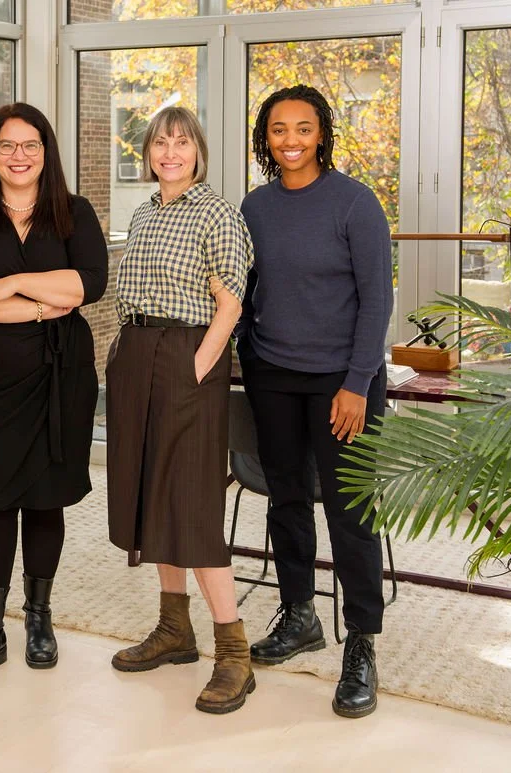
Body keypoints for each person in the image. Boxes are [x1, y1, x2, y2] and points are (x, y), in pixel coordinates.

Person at [237, 84, 393, 719]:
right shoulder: (254, 206)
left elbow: (377, 300)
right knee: (287, 500)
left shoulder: (355, 204)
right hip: (272, 375)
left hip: (342, 381)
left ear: (323, 133)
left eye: (303, 128)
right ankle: (299, 614)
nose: (291, 140)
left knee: (351, 515)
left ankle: (361, 642)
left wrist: (357, 383)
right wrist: (245, 356)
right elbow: (245, 291)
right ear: (266, 138)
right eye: (279, 129)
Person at [0, 102, 107, 687]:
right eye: (7, 145)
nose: (19, 155)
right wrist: (45, 303)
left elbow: (89, 283)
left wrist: (10, 284)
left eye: (30, 144)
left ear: (46, 151)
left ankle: (39, 617)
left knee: (45, 499)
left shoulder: (73, 212)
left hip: (61, 380)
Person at [106, 105, 255, 714]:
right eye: (160, 143)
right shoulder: (143, 212)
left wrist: (199, 364)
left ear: (199, 151)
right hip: (137, 354)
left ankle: (235, 654)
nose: (170, 152)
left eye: (181, 142)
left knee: (192, 503)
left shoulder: (217, 213)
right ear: (148, 153)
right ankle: (175, 630)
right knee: (151, 494)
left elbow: (231, 302)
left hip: (188, 356)